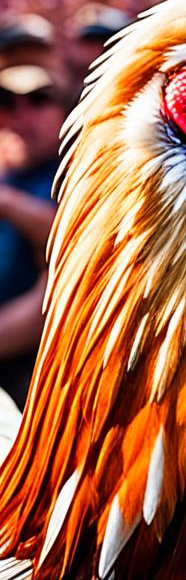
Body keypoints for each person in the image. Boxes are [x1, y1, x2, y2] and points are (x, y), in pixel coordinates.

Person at [0, 65, 62, 404]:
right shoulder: (9, 174)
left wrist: (7, 202)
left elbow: (67, 239)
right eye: (7, 103)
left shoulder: (72, 174)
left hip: (28, 382)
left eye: (37, 99)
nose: (21, 115)